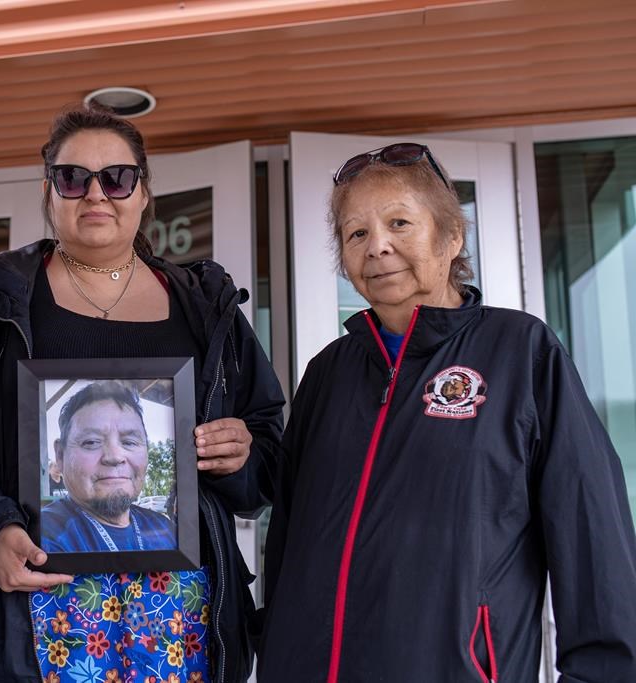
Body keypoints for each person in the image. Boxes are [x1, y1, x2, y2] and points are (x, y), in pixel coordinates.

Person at [256, 142, 636, 682]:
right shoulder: (328, 373)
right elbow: (291, 542)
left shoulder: (520, 352)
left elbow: (590, 531)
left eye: (400, 223)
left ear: (452, 236)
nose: (377, 247)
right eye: (356, 232)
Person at [0, 104, 285, 683]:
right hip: (33, 606)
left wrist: (242, 453)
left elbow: (271, 449)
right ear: (49, 191)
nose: (96, 194)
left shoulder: (206, 306)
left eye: (118, 177)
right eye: (72, 177)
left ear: (144, 192)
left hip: (179, 612)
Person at [41, 381, 175, 553]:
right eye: (91, 442)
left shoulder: (166, 529)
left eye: (130, 442)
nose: (115, 457)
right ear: (60, 455)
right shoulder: (41, 539)